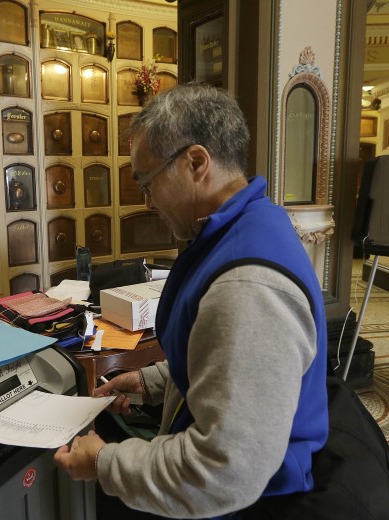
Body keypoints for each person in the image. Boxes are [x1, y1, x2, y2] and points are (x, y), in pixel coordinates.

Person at [54, 83, 329, 518]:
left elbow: (224, 471)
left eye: (147, 181)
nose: (146, 201)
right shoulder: (253, 220)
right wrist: (154, 382)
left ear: (196, 162)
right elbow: (233, 361)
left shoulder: (248, 289)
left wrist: (103, 462)